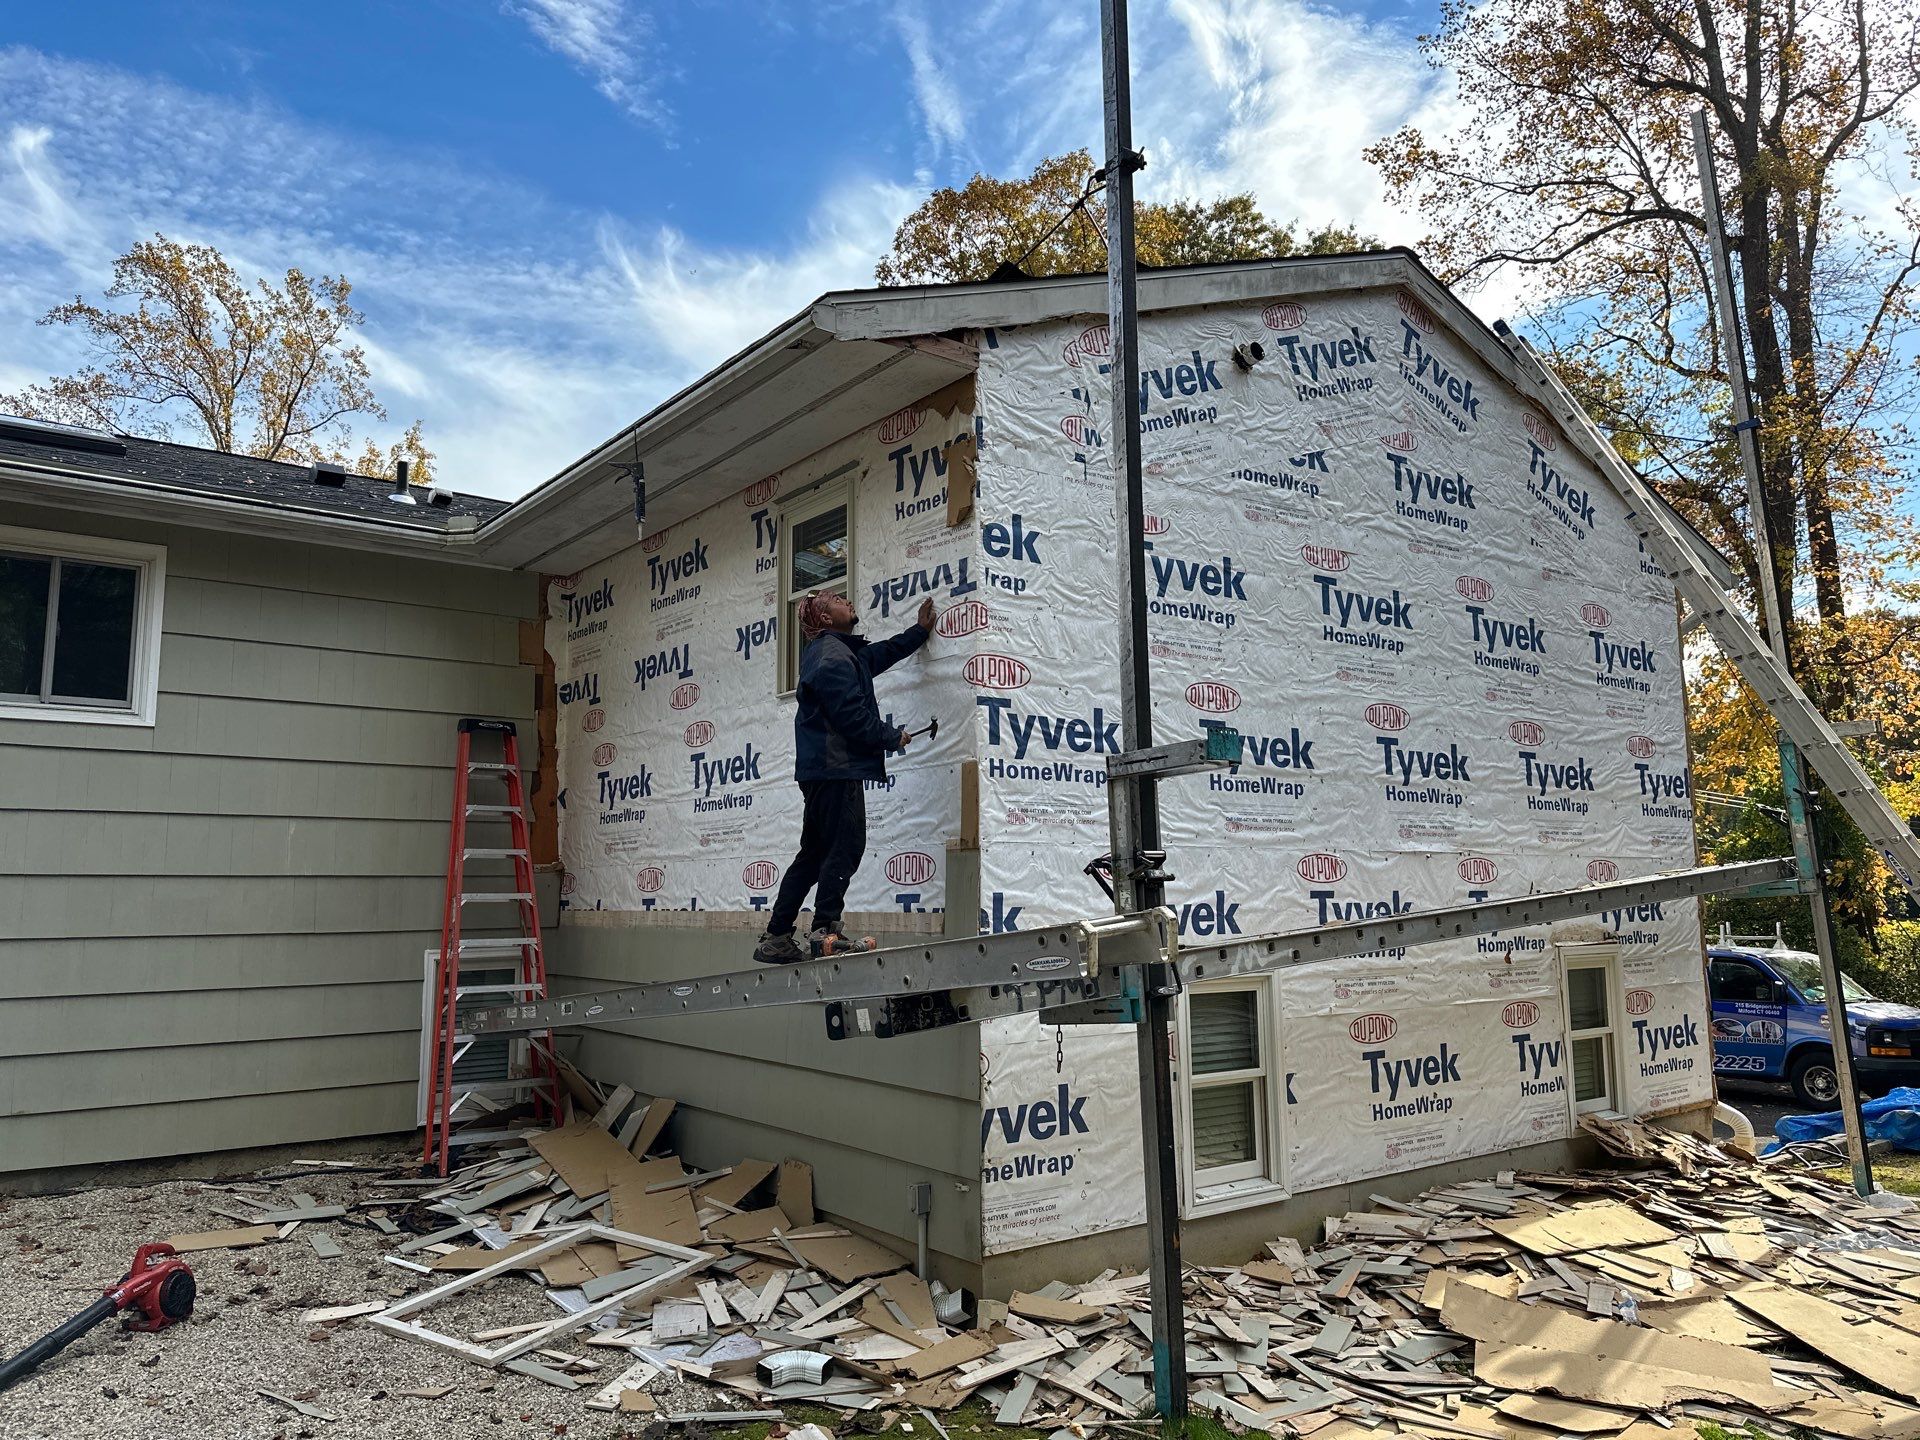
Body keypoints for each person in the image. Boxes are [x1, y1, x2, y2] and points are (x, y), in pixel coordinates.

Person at [753, 590, 936, 963]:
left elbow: (878, 655)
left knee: (813, 854)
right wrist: (889, 736)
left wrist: (918, 632)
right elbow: (850, 716)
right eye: (837, 599)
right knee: (845, 846)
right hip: (835, 770)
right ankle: (825, 933)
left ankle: (776, 937)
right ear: (824, 618)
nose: (847, 600)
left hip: (823, 770)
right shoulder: (832, 657)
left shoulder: (838, 653)